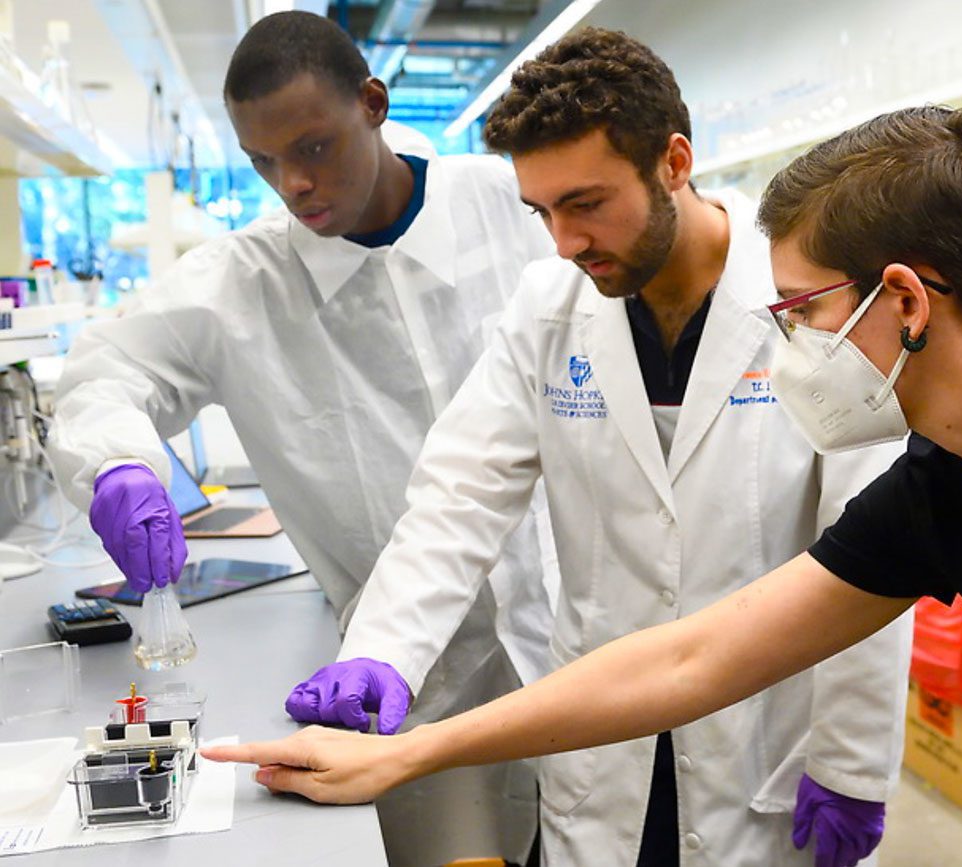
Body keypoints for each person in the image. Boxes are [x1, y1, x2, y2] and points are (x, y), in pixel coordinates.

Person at [205, 102, 962, 859]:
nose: (786, 348)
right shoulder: (940, 497)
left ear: (905, 303)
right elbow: (696, 656)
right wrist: (409, 754)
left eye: (802, 312)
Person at [278, 26, 911, 867]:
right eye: (542, 212)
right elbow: (460, 496)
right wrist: (381, 652)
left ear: (673, 162)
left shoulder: (804, 301)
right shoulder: (549, 308)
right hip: (602, 752)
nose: (564, 242)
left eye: (585, 203)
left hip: (762, 743)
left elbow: (871, 552)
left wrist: (852, 758)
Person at [48, 11, 555, 866]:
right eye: (264, 162)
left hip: (577, 638)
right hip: (397, 680)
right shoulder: (241, 285)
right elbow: (103, 376)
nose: (293, 184)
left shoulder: (512, 207)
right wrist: (118, 466)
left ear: (372, 102)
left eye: (314, 147)